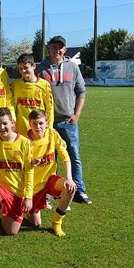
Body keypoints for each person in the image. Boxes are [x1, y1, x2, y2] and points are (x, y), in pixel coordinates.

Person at [36, 36, 91, 204]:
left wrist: (76, 115)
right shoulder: (40, 69)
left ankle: (79, 190)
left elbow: (81, 91)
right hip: (47, 124)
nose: (57, 50)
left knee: (73, 155)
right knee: (49, 158)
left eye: (60, 47)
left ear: (65, 49)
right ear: (48, 48)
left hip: (68, 121)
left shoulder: (73, 67)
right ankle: (49, 191)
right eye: (54, 47)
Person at [0, 107, 33, 237]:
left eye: (5, 123)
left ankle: (0, 209)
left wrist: (28, 197)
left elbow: (29, 171)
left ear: (12, 123)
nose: (1, 127)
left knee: (11, 231)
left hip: (16, 190)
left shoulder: (25, 143)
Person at [26, 110, 76, 237]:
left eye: (41, 123)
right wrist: (30, 162)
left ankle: (56, 222)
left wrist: (69, 178)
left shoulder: (52, 134)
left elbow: (65, 157)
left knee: (70, 188)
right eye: (35, 124)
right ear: (29, 124)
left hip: (50, 180)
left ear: (47, 123)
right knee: (35, 224)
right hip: (33, 187)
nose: (38, 127)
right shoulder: (24, 141)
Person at [10, 53, 54, 136]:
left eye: (26, 68)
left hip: (38, 130)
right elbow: (11, 105)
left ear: (33, 66)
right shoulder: (15, 84)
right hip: (21, 131)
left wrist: (49, 128)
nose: (23, 71)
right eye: (20, 68)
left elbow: (49, 108)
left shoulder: (44, 84)